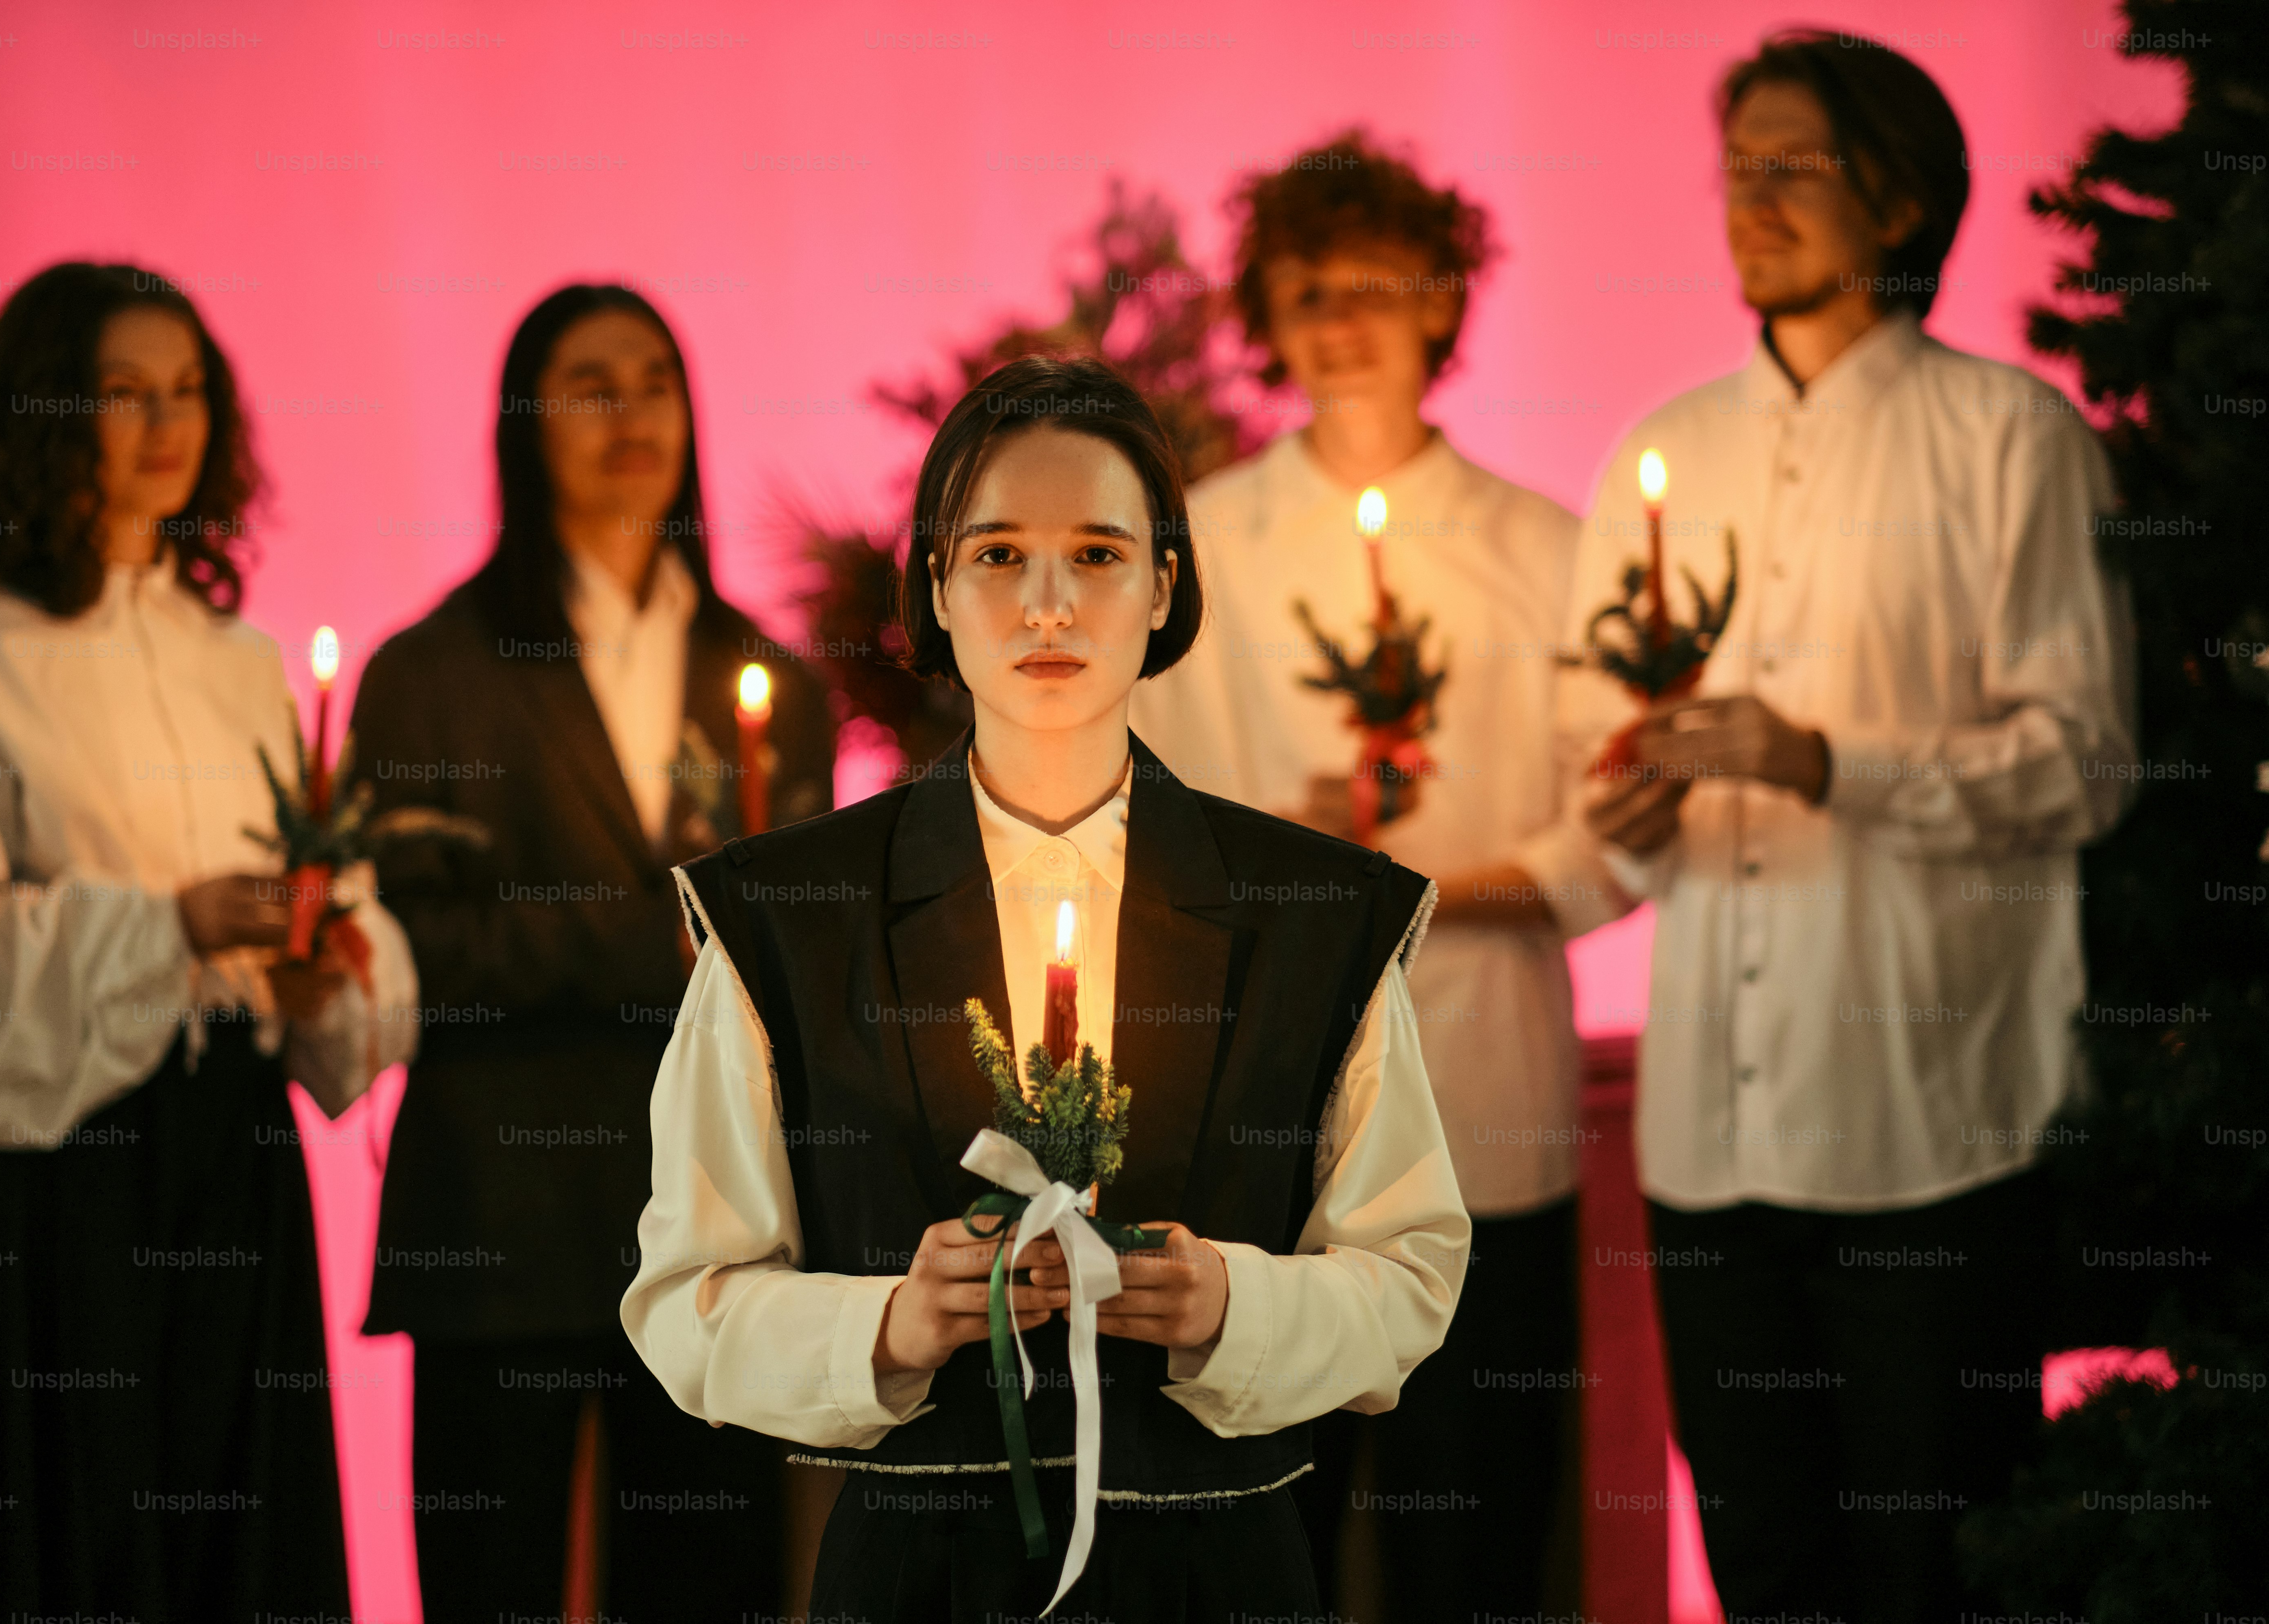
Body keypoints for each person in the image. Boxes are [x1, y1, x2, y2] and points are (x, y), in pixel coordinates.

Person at [622, 354, 1469, 1622]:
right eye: (1001, 556)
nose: (1050, 607)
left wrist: (1235, 1303)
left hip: (1218, 1576)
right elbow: (689, 1302)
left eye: (1100, 554)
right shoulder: (789, 918)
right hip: (919, 1581)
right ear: (938, 593)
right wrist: (896, 1327)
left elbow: (1409, 1274)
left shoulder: (1318, 912)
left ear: (1165, 585)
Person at [1542, 32, 2136, 1622]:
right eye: (1740, 167)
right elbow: (1601, 796)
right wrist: (1623, 800)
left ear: (1900, 198)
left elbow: (2081, 764)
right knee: (1766, 1577)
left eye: (1795, 164)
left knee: (1931, 1579)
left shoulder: (2013, 443)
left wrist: (1829, 763)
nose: (1754, 199)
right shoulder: (1667, 457)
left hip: (1929, 1142)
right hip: (1708, 1150)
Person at [0, 261, 416, 1620]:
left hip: (227, 1159)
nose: (168, 425)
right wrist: (162, 927)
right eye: (123, 394)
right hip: (59, 1181)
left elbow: (326, 896)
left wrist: (321, 962)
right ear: (47, 413)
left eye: (189, 393)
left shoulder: (231, 662)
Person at [1130, 131, 1591, 1616]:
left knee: (1482, 1537)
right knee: (1275, 1550)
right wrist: (1286, 834)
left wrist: (1452, 887)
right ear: (1267, 313)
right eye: (1308, 290)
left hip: (1490, 1109)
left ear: (1443, 299)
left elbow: (1629, 822)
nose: (1341, 321)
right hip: (1273, 1132)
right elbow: (1146, 821)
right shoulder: (1202, 549)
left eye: (1376, 286)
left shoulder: (1544, 550)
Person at [349, 283, 832, 1623]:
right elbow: (413, 948)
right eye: (592, 385)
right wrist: (647, 940)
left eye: (657, 381)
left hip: (713, 1221)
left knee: (710, 1581)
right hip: (497, 1222)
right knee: (491, 1579)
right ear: (524, 424)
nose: (632, 415)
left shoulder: (772, 681)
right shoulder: (430, 673)